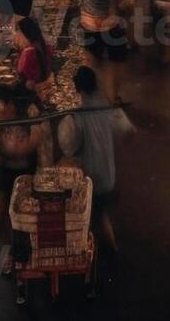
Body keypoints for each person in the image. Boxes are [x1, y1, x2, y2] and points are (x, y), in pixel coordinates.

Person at [56, 66, 134, 256]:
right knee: (100, 213)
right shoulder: (108, 108)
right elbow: (129, 131)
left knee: (96, 216)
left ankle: (110, 250)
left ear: (77, 89)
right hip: (109, 174)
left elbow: (68, 147)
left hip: (90, 179)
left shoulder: (75, 119)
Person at [0, 86, 46, 261]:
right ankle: (9, 248)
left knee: (25, 218)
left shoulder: (30, 113)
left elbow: (29, 146)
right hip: (3, 170)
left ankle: (27, 251)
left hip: (25, 170)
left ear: (11, 106)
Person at [79, 0, 130, 104]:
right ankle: (113, 96)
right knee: (118, 59)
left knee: (93, 59)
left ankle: (90, 95)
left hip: (87, 22)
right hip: (104, 24)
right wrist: (129, 3)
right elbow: (117, 3)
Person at [13, 15, 54, 92]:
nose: (16, 36)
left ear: (25, 34)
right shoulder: (46, 46)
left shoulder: (27, 54)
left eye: (18, 32)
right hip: (44, 88)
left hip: (33, 92)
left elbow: (28, 84)